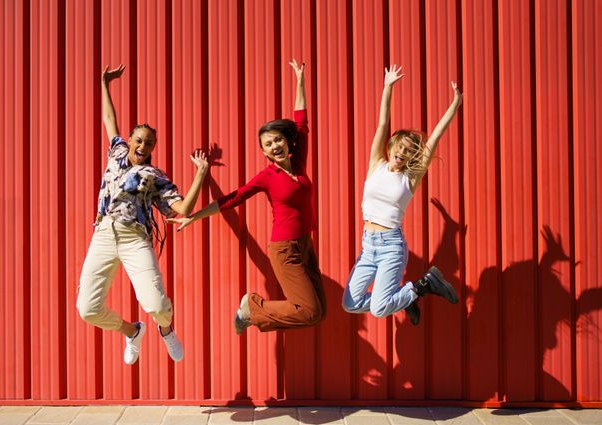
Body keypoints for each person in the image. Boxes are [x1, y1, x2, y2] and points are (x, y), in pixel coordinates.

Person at [169, 60, 326, 334]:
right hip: (285, 249)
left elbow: (302, 124)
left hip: (305, 245)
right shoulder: (266, 177)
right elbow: (233, 199)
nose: (275, 145)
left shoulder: (298, 164)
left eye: (278, 140)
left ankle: (253, 312)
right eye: (268, 144)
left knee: (318, 312)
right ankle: (251, 307)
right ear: (264, 152)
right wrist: (193, 216)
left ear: (287, 142)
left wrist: (300, 80)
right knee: (309, 310)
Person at [76, 64, 209, 364]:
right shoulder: (117, 153)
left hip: (135, 238)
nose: (142, 145)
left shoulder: (154, 176)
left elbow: (183, 208)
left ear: (152, 148)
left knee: (157, 304)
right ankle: (132, 331)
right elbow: (110, 119)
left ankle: (166, 329)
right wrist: (104, 85)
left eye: (148, 142)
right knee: (87, 308)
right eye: (139, 139)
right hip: (103, 235)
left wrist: (200, 175)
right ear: (130, 140)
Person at [342, 65, 462, 326]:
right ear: (392, 146)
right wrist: (388, 87)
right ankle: (406, 297)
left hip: (390, 247)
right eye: (400, 147)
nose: (402, 153)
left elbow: (434, 140)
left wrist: (454, 105)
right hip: (368, 245)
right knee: (350, 304)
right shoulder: (376, 163)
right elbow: (383, 123)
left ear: (411, 156)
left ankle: (421, 287)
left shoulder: (410, 178)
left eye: (408, 151)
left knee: (378, 308)